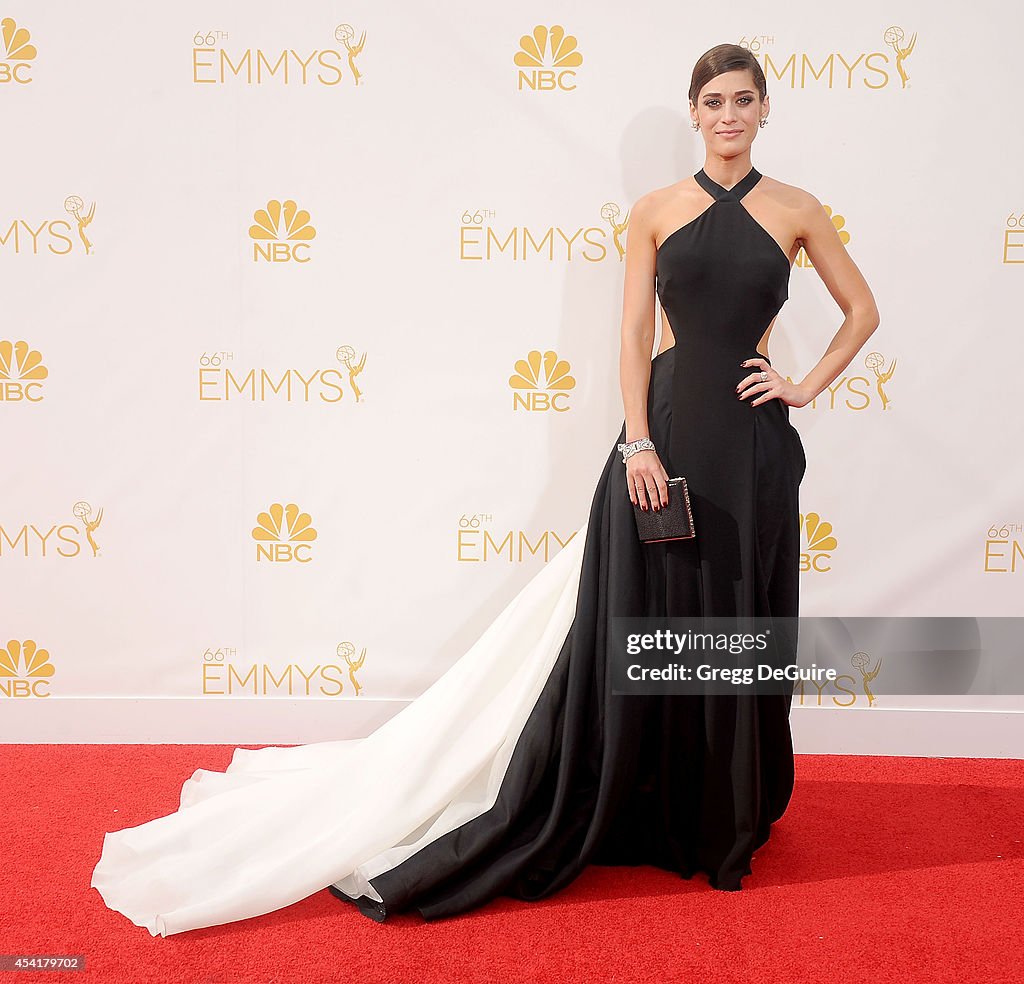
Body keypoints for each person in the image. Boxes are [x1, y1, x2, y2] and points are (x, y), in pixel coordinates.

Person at [90, 42, 880, 936]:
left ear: (764, 111)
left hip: (752, 451)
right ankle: (645, 801)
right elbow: (629, 334)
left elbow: (864, 310)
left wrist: (803, 385)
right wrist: (637, 445)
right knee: (647, 620)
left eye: (743, 100)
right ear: (693, 114)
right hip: (664, 438)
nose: (728, 115)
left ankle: (721, 818)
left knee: (735, 620)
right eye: (712, 101)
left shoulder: (797, 209)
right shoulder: (655, 211)